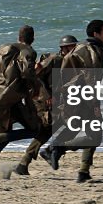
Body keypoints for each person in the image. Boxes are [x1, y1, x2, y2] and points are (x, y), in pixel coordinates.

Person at [40, 19, 103, 183]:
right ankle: (55, 150)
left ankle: (82, 171)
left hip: (74, 97)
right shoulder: (90, 50)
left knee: (88, 132)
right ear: (96, 34)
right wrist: (94, 103)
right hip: (81, 98)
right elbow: (89, 78)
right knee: (94, 134)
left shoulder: (86, 48)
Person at [0, 25, 41, 179]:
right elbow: (27, 73)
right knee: (35, 129)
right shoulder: (29, 51)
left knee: (2, 131)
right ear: (33, 38)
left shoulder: (4, 47)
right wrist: (36, 86)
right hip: (12, 97)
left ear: (19, 37)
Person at [13, 34, 78, 176]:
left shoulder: (70, 62)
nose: (75, 49)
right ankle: (48, 152)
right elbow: (36, 74)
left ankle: (25, 162)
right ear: (64, 48)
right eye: (72, 46)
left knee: (47, 130)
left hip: (57, 100)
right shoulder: (54, 59)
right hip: (45, 100)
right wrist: (48, 95)